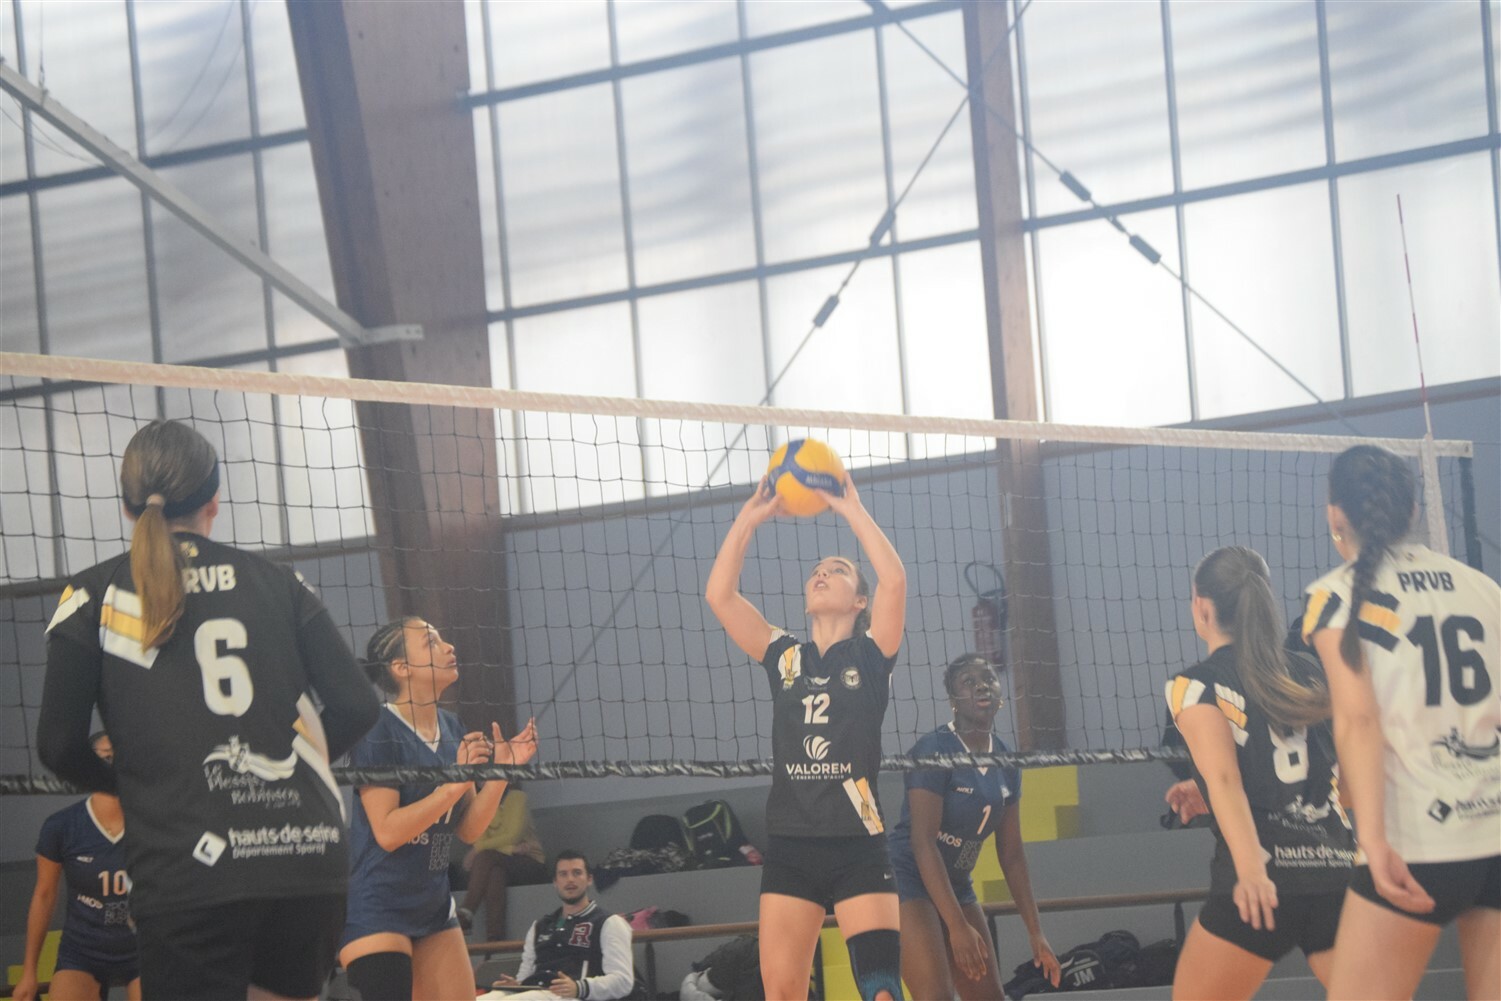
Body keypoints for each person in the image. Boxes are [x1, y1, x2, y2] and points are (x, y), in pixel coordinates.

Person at [37, 418, 381, 1001]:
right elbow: (358, 705)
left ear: (127, 507)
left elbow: (58, 745)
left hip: (189, 868)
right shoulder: (281, 583)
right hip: (305, 857)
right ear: (214, 502)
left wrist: (134, 787)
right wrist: (292, 766)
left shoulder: (93, 595)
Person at [1304, 445, 1499, 1000]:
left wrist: (1370, 838)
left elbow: (1358, 721)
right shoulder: (1485, 589)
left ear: (1335, 515)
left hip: (1417, 843)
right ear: (1412, 511)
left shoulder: (1335, 597)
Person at [705, 472, 907, 1001]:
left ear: (859, 601)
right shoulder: (785, 655)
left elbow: (895, 581)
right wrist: (749, 517)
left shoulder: (871, 655)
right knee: (782, 994)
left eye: (837, 571)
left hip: (859, 843)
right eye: (817, 570)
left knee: (882, 992)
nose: (821, 573)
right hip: (792, 848)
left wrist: (851, 508)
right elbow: (719, 595)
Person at [1163, 546, 1355, 999]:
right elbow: (1340, 776)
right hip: (1335, 872)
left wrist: (1251, 870)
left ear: (1202, 607)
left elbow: (1224, 779)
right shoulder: (1311, 671)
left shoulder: (1195, 685)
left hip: (1260, 882)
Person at [340, 616, 538, 1001]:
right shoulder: (376, 728)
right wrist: (455, 783)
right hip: (378, 904)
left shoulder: (452, 728)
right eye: (430, 642)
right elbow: (388, 832)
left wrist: (502, 772)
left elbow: (468, 829)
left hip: (432, 904)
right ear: (402, 667)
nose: (448, 647)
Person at [887, 654, 1060, 1000]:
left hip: (956, 882)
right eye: (969, 681)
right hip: (907, 876)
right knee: (936, 996)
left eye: (989, 678)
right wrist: (956, 926)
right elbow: (923, 843)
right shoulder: (934, 751)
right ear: (954, 700)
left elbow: (1012, 854)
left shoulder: (1006, 760)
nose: (982, 685)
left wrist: (1035, 932)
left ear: (1000, 694)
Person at [14, 733, 139, 1001]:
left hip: (143, 948)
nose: (114, 765)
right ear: (90, 767)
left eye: (121, 757)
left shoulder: (152, 822)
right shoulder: (61, 826)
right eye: (106, 757)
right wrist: (29, 972)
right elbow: (44, 895)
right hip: (83, 951)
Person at [487, 851, 636, 1000]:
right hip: (535, 993)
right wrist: (517, 985)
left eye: (577, 873)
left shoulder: (609, 922)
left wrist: (578, 988)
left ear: (589, 879)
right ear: (555, 882)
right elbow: (525, 975)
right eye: (563, 874)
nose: (570, 879)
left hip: (573, 996)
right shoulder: (539, 926)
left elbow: (623, 981)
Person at [459, 783, 549, 942]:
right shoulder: (479, 802)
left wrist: (476, 850)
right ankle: (495, 941)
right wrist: (511, 849)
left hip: (530, 860)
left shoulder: (517, 797)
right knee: (495, 873)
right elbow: (480, 837)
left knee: (486, 857)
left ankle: (466, 911)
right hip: (500, 861)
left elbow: (512, 835)